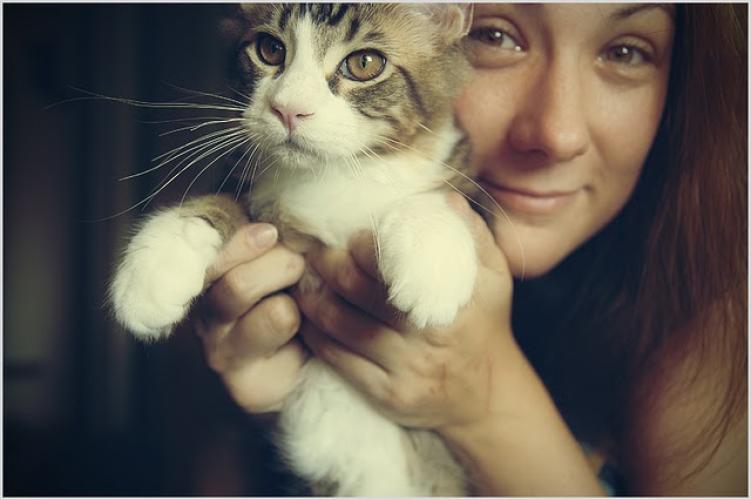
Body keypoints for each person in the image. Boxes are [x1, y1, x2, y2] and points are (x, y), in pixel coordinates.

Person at [192, 4, 747, 495]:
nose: (556, 134)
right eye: (495, 36)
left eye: (625, 51)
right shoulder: (252, 256)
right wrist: (285, 417)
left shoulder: (724, 342)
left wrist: (486, 405)